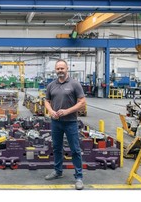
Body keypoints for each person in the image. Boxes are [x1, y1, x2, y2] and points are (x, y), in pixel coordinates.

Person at [44, 59, 86, 190]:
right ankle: (58, 171)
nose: (60, 71)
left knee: (75, 150)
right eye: (58, 69)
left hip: (71, 122)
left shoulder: (74, 84)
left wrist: (67, 111)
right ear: (55, 70)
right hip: (56, 122)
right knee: (57, 148)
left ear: (67, 69)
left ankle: (79, 177)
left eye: (62, 68)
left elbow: (82, 102)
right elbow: (46, 100)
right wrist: (51, 111)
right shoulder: (51, 85)